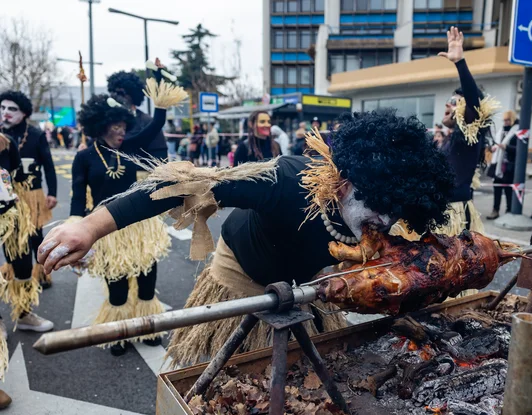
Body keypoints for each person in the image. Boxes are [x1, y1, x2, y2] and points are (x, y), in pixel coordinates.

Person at [38, 109, 456, 367]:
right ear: (345, 183)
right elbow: (181, 185)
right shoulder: (286, 179)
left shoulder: (382, 221)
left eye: (396, 210)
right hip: (241, 276)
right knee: (234, 380)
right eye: (379, 205)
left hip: (305, 286)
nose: (386, 219)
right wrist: (90, 226)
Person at [68, 72, 184, 356]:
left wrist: (159, 91)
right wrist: (76, 230)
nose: (122, 132)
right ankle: (119, 332)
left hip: (139, 224)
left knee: (146, 281)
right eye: (116, 127)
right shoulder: (84, 158)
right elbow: (76, 199)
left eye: (124, 126)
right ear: (102, 125)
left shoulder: (131, 147)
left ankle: (147, 328)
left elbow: (157, 123)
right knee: (117, 287)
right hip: (107, 229)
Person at [392, 27, 497, 242]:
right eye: (448, 100)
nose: (448, 105)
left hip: (454, 216)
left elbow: (474, 107)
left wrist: (459, 62)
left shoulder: (469, 137)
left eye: (455, 101)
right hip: (439, 210)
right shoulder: (452, 139)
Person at [0, 90, 57, 332]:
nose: (5, 113)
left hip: (19, 201)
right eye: (2, 108)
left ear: (24, 113)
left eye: (11, 109)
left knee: (27, 247)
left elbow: (45, 165)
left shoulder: (25, 137)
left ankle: (24, 311)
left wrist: (51, 191)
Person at [0, 132, 30, 409]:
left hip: (7, 215)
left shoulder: (5, 142)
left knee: (22, 265)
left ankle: (23, 313)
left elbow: (14, 176)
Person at [107, 70, 168, 160]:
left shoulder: (146, 121)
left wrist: (159, 79)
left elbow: (160, 154)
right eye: (113, 93)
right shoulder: (108, 121)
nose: (116, 96)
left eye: (120, 93)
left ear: (132, 95)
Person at [487, 110, 519, 220]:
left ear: (512, 120)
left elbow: (520, 150)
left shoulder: (517, 132)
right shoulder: (501, 130)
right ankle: (495, 210)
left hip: (508, 165)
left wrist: (506, 147)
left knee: (508, 190)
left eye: (508, 120)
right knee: (497, 189)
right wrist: (492, 148)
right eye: (504, 120)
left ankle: (509, 210)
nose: (505, 122)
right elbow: (494, 143)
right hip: (497, 164)